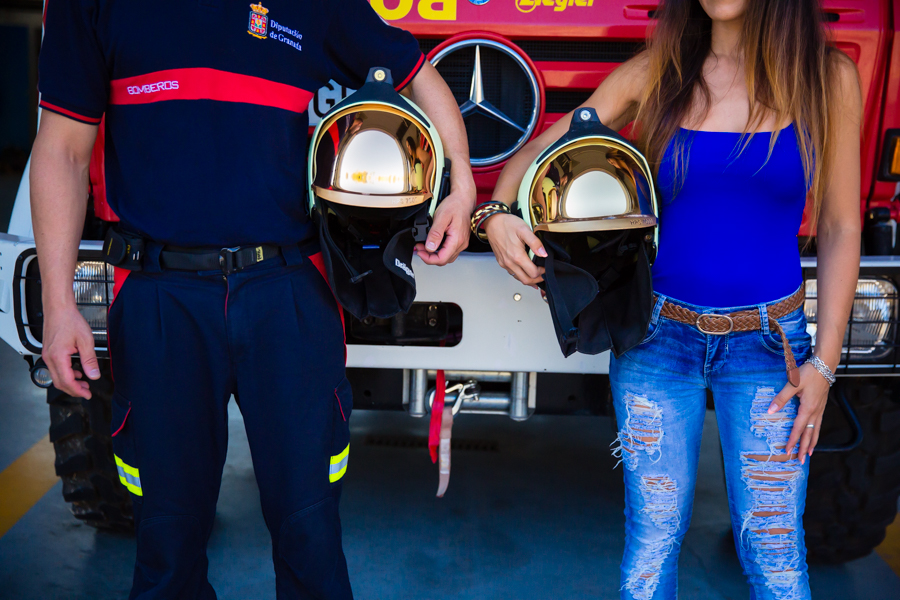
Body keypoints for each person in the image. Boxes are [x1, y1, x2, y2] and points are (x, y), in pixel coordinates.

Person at [30, 1, 475, 598]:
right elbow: (61, 150)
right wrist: (59, 306)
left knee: (311, 539)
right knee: (166, 548)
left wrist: (461, 180)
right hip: (160, 301)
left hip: (287, 295)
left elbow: (415, 70)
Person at [481, 0, 861, 598]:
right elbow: (542, 151)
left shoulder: (827, 76)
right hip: (658, 340)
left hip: (772, 350)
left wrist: (825, 362)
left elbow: (840, 225)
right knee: (651, 548)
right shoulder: (660, 70)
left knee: (774, 552)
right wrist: (497, 211)